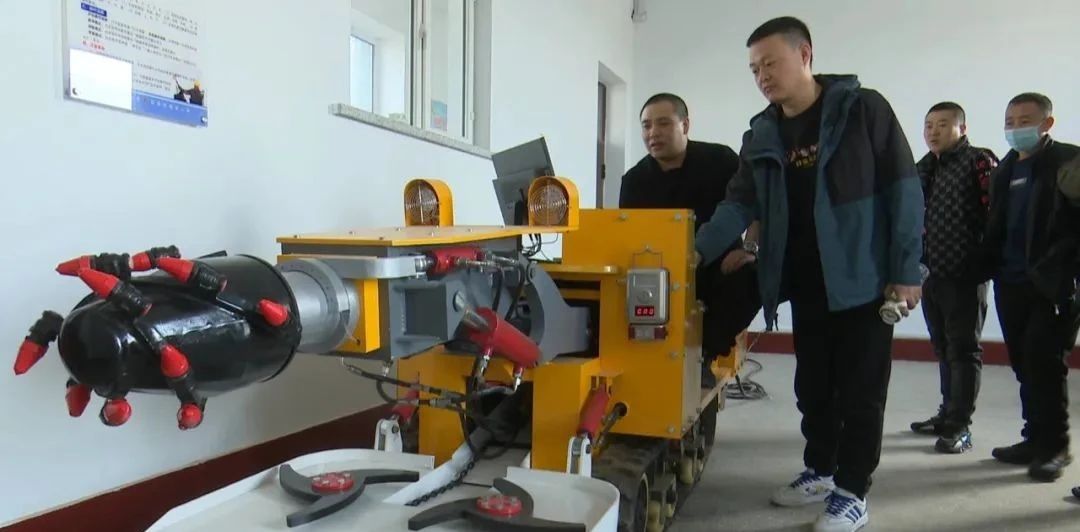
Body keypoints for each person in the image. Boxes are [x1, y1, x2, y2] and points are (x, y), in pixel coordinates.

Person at [694, 17, 923, 532]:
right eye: (754, 69)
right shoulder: (763, 131)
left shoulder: (863, 110)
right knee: (814, 386)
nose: (762, 77)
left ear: (805, 55)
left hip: (863, 278)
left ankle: (853, 492)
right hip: (804, 279)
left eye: (770, 63)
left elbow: (904, 190)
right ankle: (821, 469)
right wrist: (692, 254)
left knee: (861, 391)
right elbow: (738, 203)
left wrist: (907, 269)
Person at [620, 93, 762, 387]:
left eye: (663, 123)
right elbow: (630, 235)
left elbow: (756, 206)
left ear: (684, 125)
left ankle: (704, 355)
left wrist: (750, 248)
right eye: (646, 126)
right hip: (661, 271)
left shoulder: (721, 160)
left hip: (718, 265)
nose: (653, 133)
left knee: (752, 277)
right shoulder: (634, 180)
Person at [978, 93, 1080, 482]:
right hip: (1010, 281)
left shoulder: (1069, 162)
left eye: (1025, 121)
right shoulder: (1005, 169)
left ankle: (1055, 447)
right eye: (1010, 121)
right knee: (1024, 365)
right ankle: (1034, 438)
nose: (1015, 128)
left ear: (1046, 124)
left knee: (1045, 365)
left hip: (1053, 283)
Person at [909, 102, 998, 455]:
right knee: (943, 347)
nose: (933, 131)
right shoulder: (924, 166)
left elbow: (997, 215)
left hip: (965, 275)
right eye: (929, 125)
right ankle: (947, 414)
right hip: (930, 274)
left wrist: (983, 262)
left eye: (943, 124)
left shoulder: (979, 161)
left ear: (962, 128)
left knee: (963, 350)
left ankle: (961, 426)